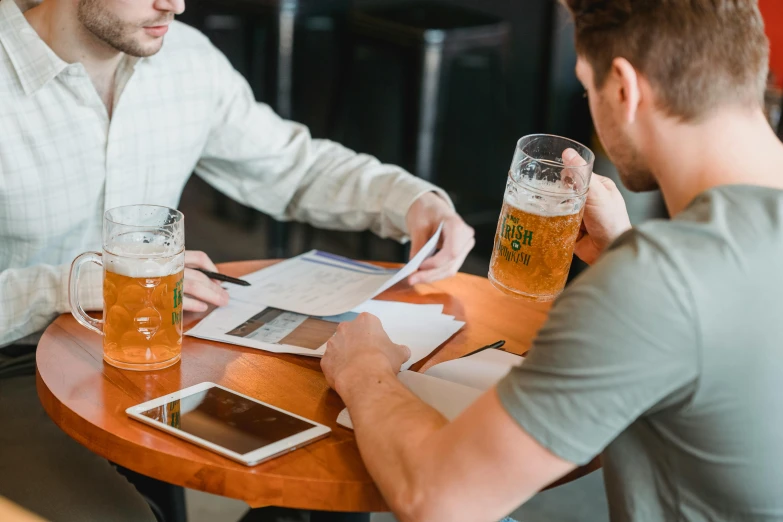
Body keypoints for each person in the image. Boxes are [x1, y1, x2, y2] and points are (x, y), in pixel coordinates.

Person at [0, 0, 475, 519]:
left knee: (331, 462)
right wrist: (81, 285)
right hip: (15, 368)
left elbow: (292, 165)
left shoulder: (185, 58)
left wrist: (410, 201)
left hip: (158, 352)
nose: (176, 5)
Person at [321, 1, 783, 521]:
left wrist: (364, 369)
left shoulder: (659, 281)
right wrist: (625, 257)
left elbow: (437, 499)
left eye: (588, 87)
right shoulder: (688, 268)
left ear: (625, 90)